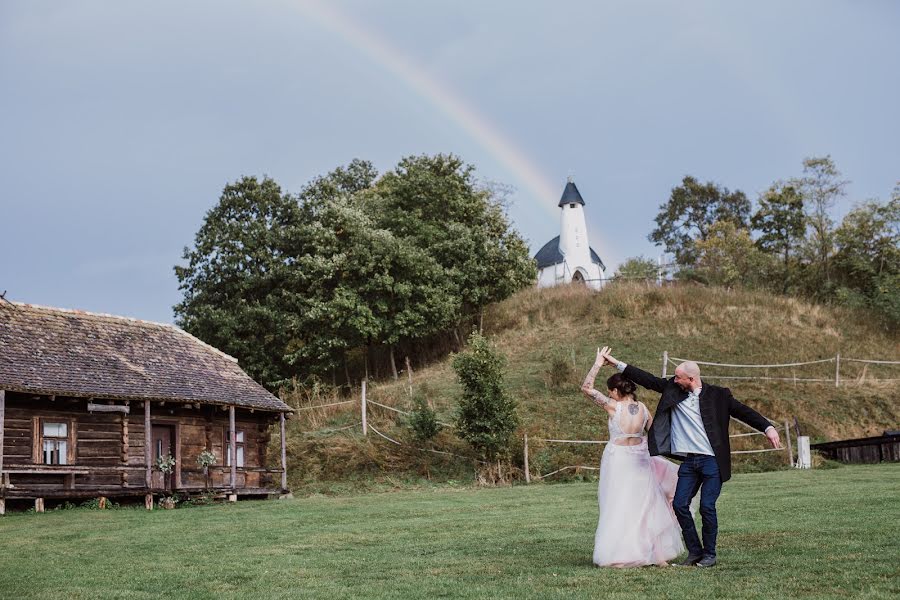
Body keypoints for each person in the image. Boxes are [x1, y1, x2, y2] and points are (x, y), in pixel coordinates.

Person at [598, 347, 782, 568]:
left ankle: (709, 555)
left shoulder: (719, 395)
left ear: (691, 379)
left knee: (706, 507)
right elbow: (648, 379)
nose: (674, 380)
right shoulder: (673, 390)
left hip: (712, 461)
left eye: (678, 377)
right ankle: (695, 552)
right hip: (689, 462)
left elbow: (743, 411)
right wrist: (617, 363)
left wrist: (768, 428)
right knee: (680, 504)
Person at [581, 346, 687, 568]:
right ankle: (657, 555)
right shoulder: (643, 408)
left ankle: (620, 554)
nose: (609, 394)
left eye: (610, 391)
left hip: (618, 459)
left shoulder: (612, 407)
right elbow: (655, 435)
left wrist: (598, 363)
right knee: (646, 505)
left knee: (619, 505)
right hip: (641, 459)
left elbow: (587, 387)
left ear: (617, 392)